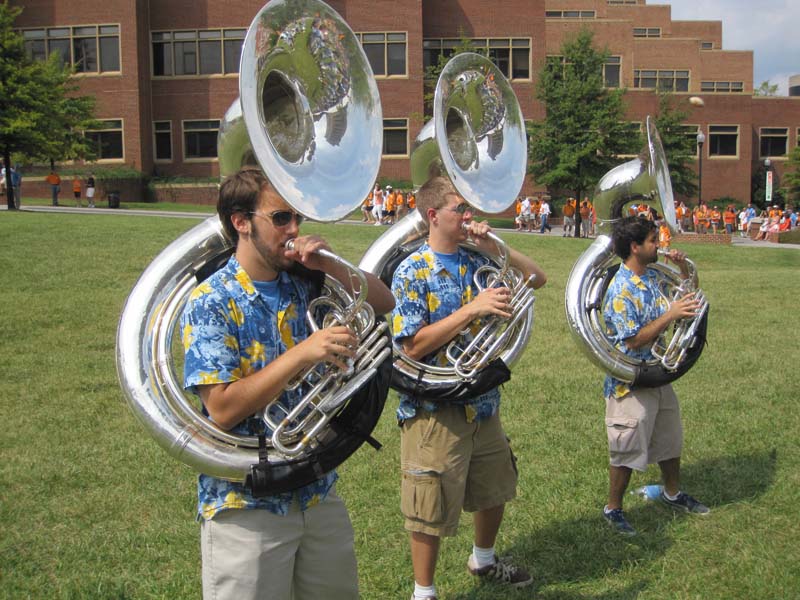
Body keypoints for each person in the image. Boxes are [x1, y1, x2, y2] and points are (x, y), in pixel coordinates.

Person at [181, 167, 395, 600]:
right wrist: (304, 352)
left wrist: (330, 262)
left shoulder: (304, 280)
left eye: (297, 217)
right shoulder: (211, 301)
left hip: (316, 490)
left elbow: (384, 301)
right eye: (281, 218)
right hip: (245, 503)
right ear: (241, 222)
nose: (294, 229)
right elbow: (221, 409)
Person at [391, 176, 547, 600]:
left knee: (494, 485)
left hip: (483, 401)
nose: (468, 216)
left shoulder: (478, 258)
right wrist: (472, 309)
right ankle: (423, 591)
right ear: (433, 215)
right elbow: (411, 346)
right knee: (429, 503)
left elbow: (537, 278)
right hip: (434, 408)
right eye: (459, 208)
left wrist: (497, 246)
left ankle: (484, 557)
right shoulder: (412, 271)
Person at [601, 216, 709, 537]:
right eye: (651, 240)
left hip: (658, 374)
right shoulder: (620, 290)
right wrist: (670, 315)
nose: (658, 245)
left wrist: (684, 271)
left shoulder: (651, 277)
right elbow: (632, 339)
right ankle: (613, 508)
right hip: (631, 382)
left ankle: (672, 493)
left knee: (669, 439)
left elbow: (687, 294)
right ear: (635, 247)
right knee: (626, 449)